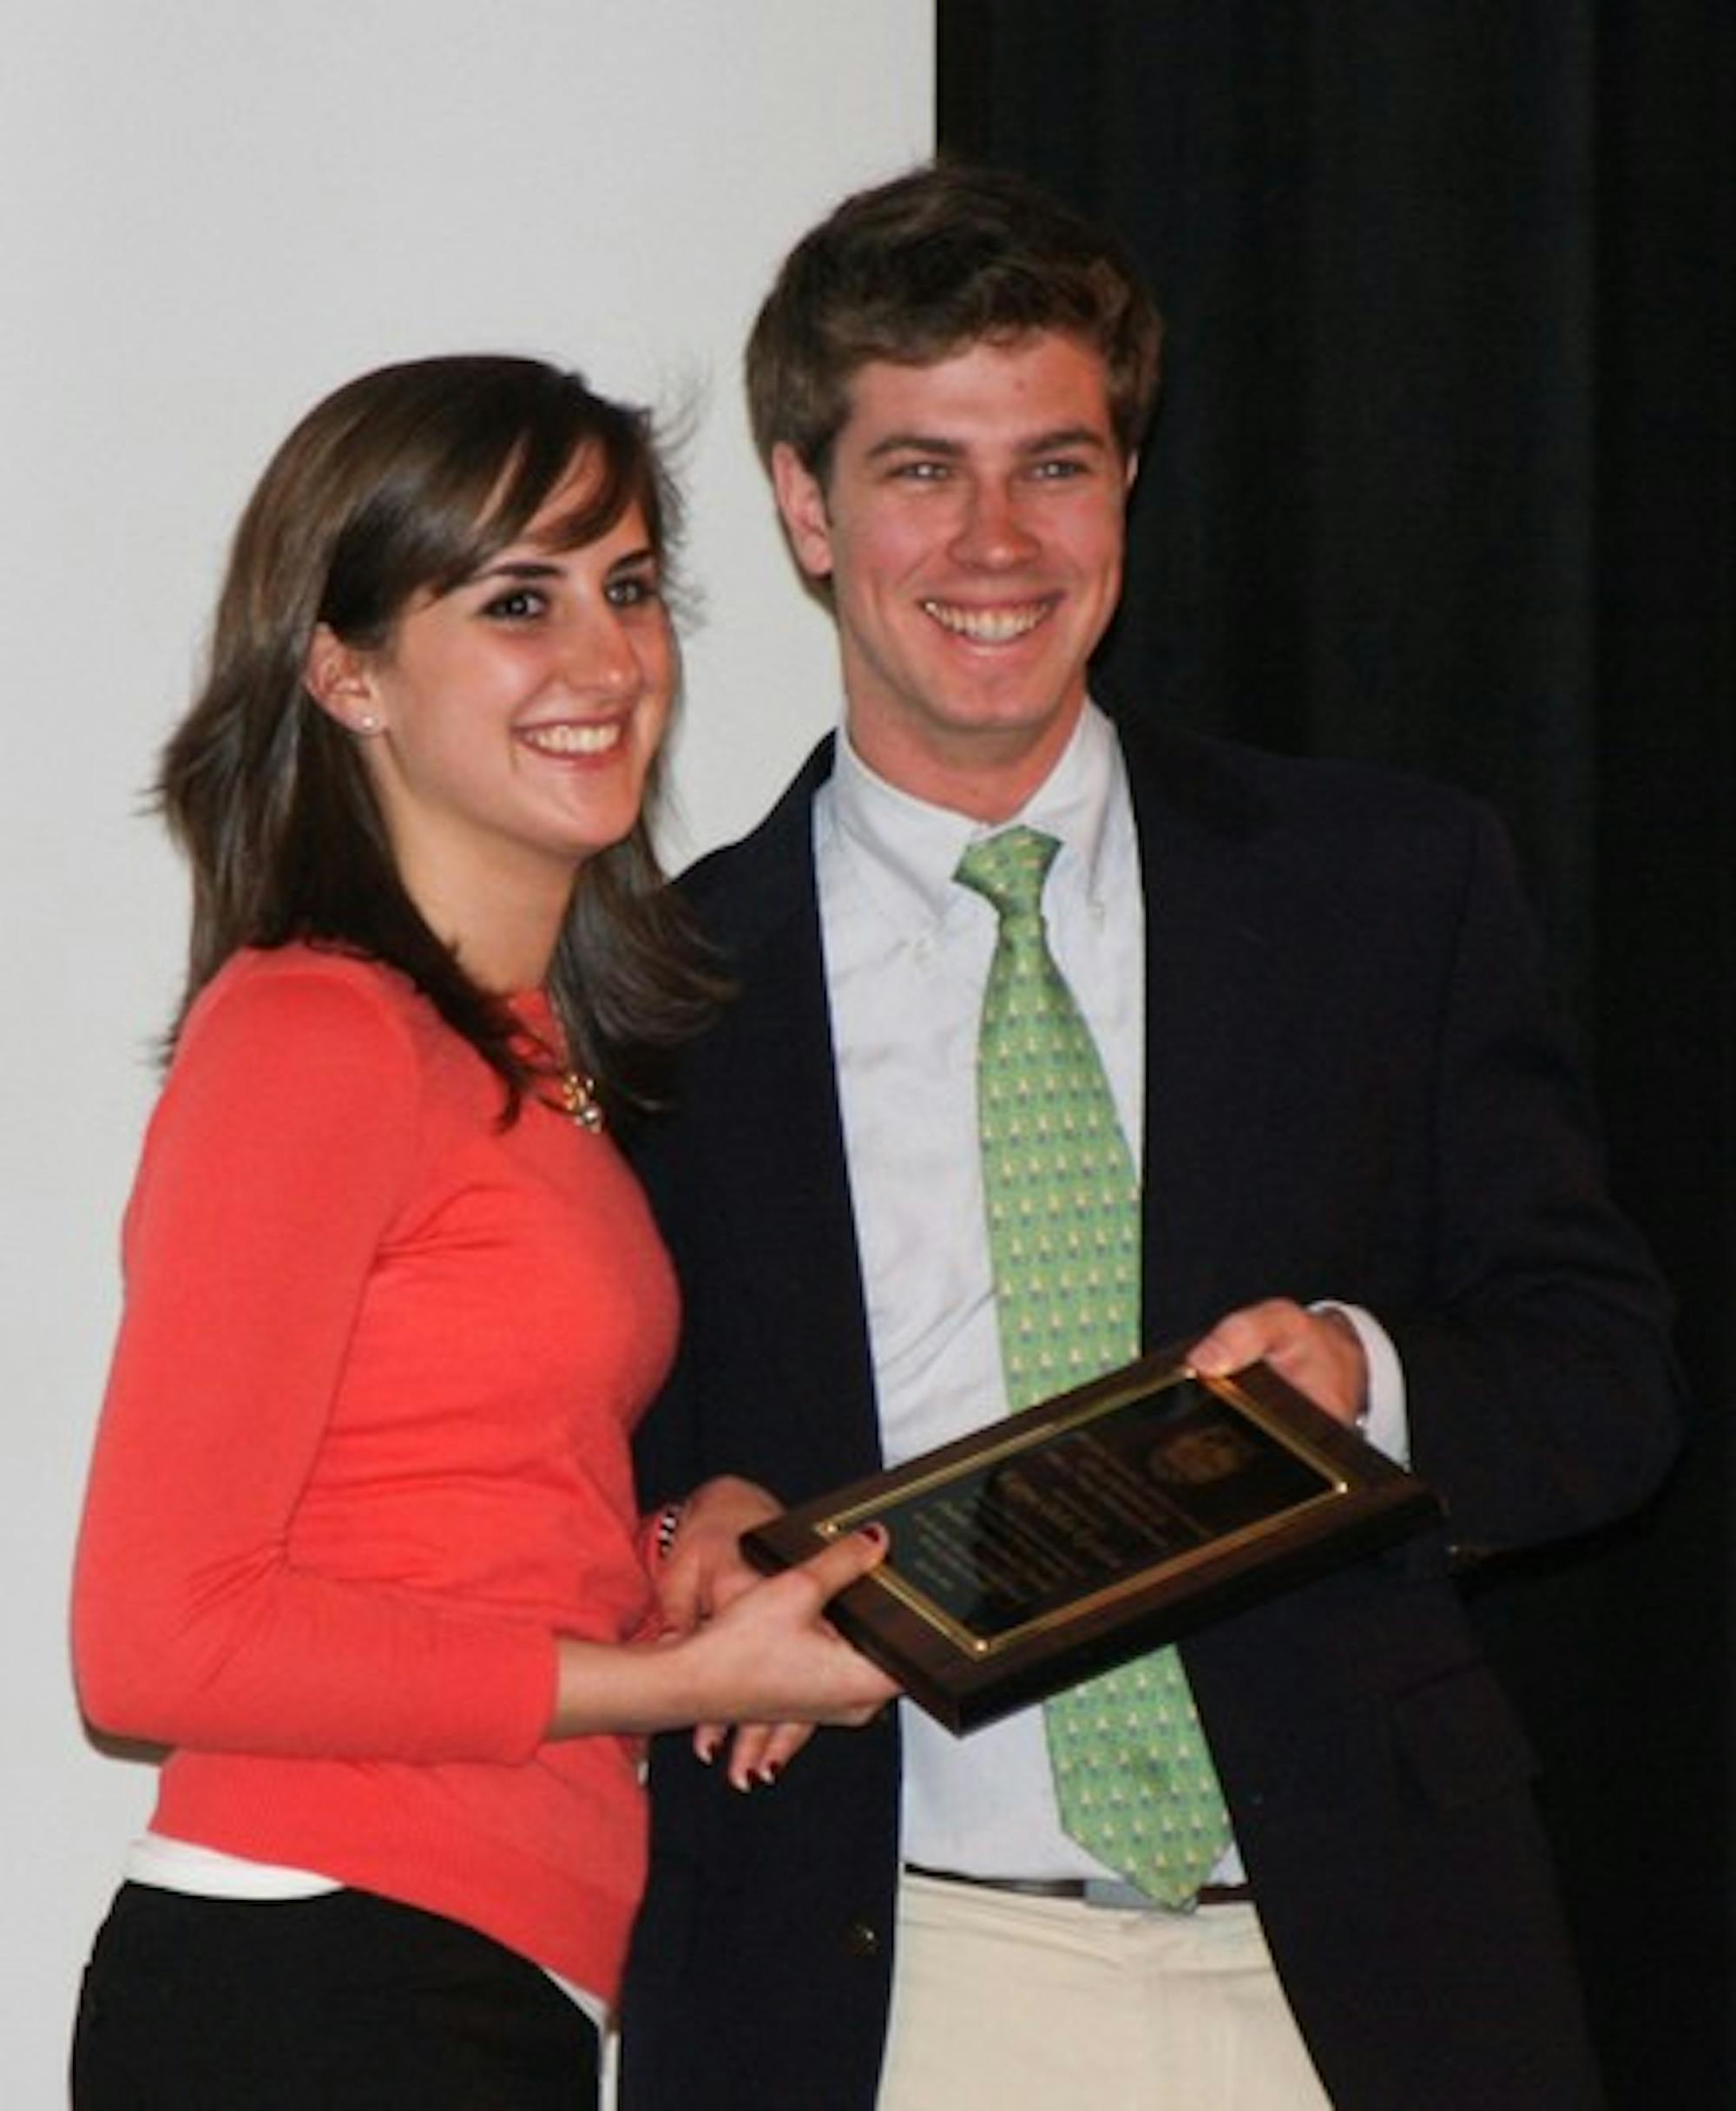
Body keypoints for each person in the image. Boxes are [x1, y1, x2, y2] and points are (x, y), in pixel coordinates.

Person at [616, 165, 1685, 2111]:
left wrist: (1359, 1376)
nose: (998, 541)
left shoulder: (1389, 884)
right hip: (887, 1971)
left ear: (1125, 486)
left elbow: (1604, 1375)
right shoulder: (655, 987)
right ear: (802, 505)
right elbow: (574, 1465)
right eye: (921, 469)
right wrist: (673, 1529)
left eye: (1058, 463)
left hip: (1360, 1959)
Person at [69, 353, 895, 2110]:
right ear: (344, 668)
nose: (605, 660)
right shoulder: (313, 1034)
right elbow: (153, 1637)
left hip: (455, 1973)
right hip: (325, 1969)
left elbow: (443, 1509)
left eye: (628, 587)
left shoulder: (517, 1055)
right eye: (517, 600)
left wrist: (682, 1541)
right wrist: (641, 1683)